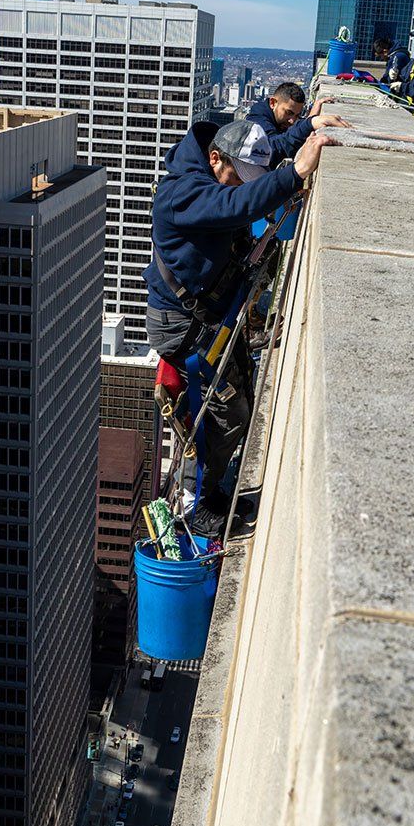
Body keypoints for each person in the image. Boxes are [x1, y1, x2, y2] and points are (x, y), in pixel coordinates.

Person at [144, 119, 336, 535]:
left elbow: (266, 151)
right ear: (215, 158)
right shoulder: (183, 193)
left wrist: (307, 128)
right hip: (185, 325)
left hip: (203, 316)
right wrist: (295, 173)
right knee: (221, 413)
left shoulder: (213, 169)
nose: (238, 186)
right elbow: (235, 205)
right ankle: (196, 511)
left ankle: (209, 493)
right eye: (236, 177)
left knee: (238, 397)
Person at [247, 81, 350, 166]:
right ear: (273, 103)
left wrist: (311, 118)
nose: (292, 120)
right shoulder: (256, 121)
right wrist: (309, 124)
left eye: (297, 115)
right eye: (288, 113)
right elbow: (271, 149)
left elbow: (287, 137)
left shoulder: (276, 119)